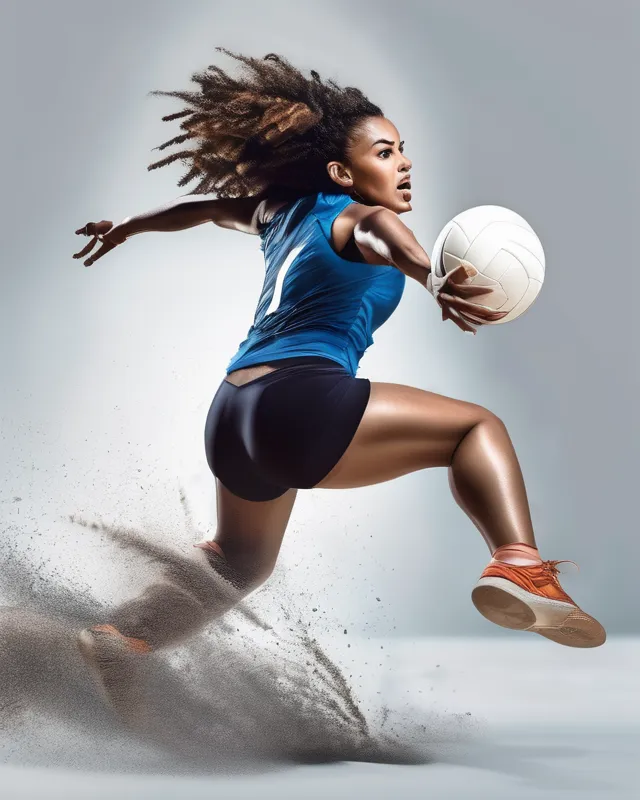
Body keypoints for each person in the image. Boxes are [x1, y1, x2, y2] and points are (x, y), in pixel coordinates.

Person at [72, 49, 605, 716]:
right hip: (298, 401)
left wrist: (131, 225)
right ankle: (519, 563)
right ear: (341, 170)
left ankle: (122, 636)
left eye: (403, 149)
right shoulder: (361, 214)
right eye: (385, 152)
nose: (404, 162)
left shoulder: (278, 212)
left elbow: (206, 209)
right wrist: (432, 274)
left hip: (234, 411)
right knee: (477, 428)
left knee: (241, 563)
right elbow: (395, 244)